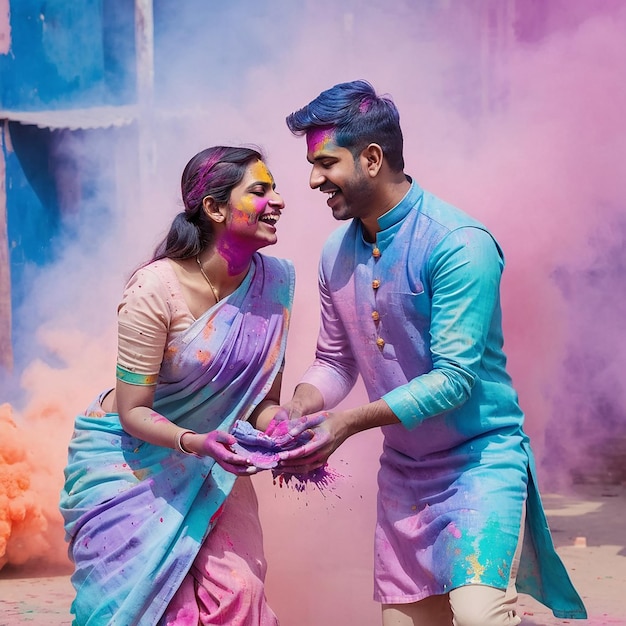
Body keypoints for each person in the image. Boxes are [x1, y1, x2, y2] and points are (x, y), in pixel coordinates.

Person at [278, 80, 587, 626]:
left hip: (480, 464)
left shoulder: (458, 243)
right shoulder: (335, 254)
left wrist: (346, 423)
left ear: (371, 159)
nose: (312, 179)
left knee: (478, 614)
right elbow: (334, 361)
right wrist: (298, 409)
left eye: (326, 162)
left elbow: (454, 380)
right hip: (404, 474)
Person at [60, 146, 295, 626]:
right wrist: (196, 442)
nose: (279, 201)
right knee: (165, 611)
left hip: (215, 463)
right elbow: (133, 410)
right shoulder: (154, 289)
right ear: (213, 208)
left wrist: (286, 426)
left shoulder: (277, 282)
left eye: (275, 189)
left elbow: (260, 403)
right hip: (131, 461)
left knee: (242, 595)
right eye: (260, 190)